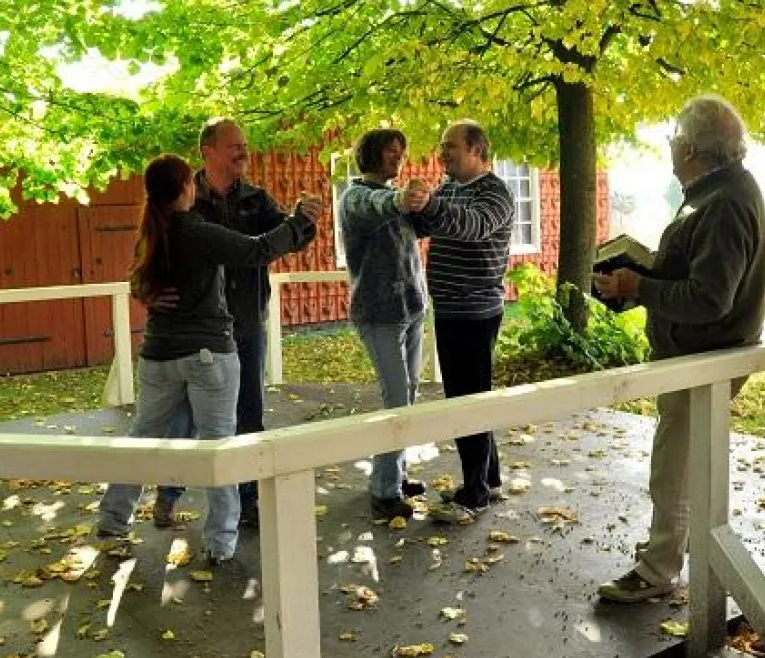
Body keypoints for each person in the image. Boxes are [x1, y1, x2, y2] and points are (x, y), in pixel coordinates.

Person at [96, 154, 320, 565]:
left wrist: (143, 294)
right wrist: (299, 221)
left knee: (142, 439)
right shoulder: (194, 230)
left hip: (158, 355)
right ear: (184, 188)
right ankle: (220, 542)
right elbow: (257, 251)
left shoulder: (152, 231)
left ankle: (113, 520)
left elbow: (137, 279)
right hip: (207, 356)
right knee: (220, 447)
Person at [594, 95, 765, 602]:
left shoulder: (724, 204)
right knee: (683, 461)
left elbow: (711, 299)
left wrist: (640, 288)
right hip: (699, 354)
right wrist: (642, 276)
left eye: (673, 137)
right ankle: (671, 548)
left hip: (704, 360)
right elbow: (700, 273)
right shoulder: (716, 190)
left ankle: (658, 569)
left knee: (672, 467)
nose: (669, 145)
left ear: (691, 147)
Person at [154, 118, 317, 532]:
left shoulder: (256, 199)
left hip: (245, 324)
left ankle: (249, 501)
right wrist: (148, 291)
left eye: (245, 145)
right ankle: (167, 495)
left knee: (249, 414)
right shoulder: (182, 199)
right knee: (185, 419)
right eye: (234, 146)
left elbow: (286, 240)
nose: (244, 152)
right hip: (197, 331)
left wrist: (304, 221)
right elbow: (150, 254)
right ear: (208, 151)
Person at [410, 120, 515, 525]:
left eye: (450, 146)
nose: (442, 152)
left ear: (476, 150)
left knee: (469, 402)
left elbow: (471, 227)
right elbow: (428, 223)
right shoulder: (450, 188)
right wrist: (413, 205)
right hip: (451, 308)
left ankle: (474, 494)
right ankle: (487, 477)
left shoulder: (495, 193)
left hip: (476, 312)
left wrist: (431, 206)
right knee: (469, 397)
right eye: (441, 146)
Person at [338, 128, 433, 519]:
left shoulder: (398, 200)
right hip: (379, 314)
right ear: (371, 154)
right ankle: (383, 490)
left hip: (411, 308)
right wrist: (401, 199)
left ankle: (396, 474)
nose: (398, 156)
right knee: (395, 400)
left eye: (401, 151)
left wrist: (424, 200)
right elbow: (379, 205)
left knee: (407, 397)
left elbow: (420, 221)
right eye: (391, 151)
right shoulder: (356, 197)